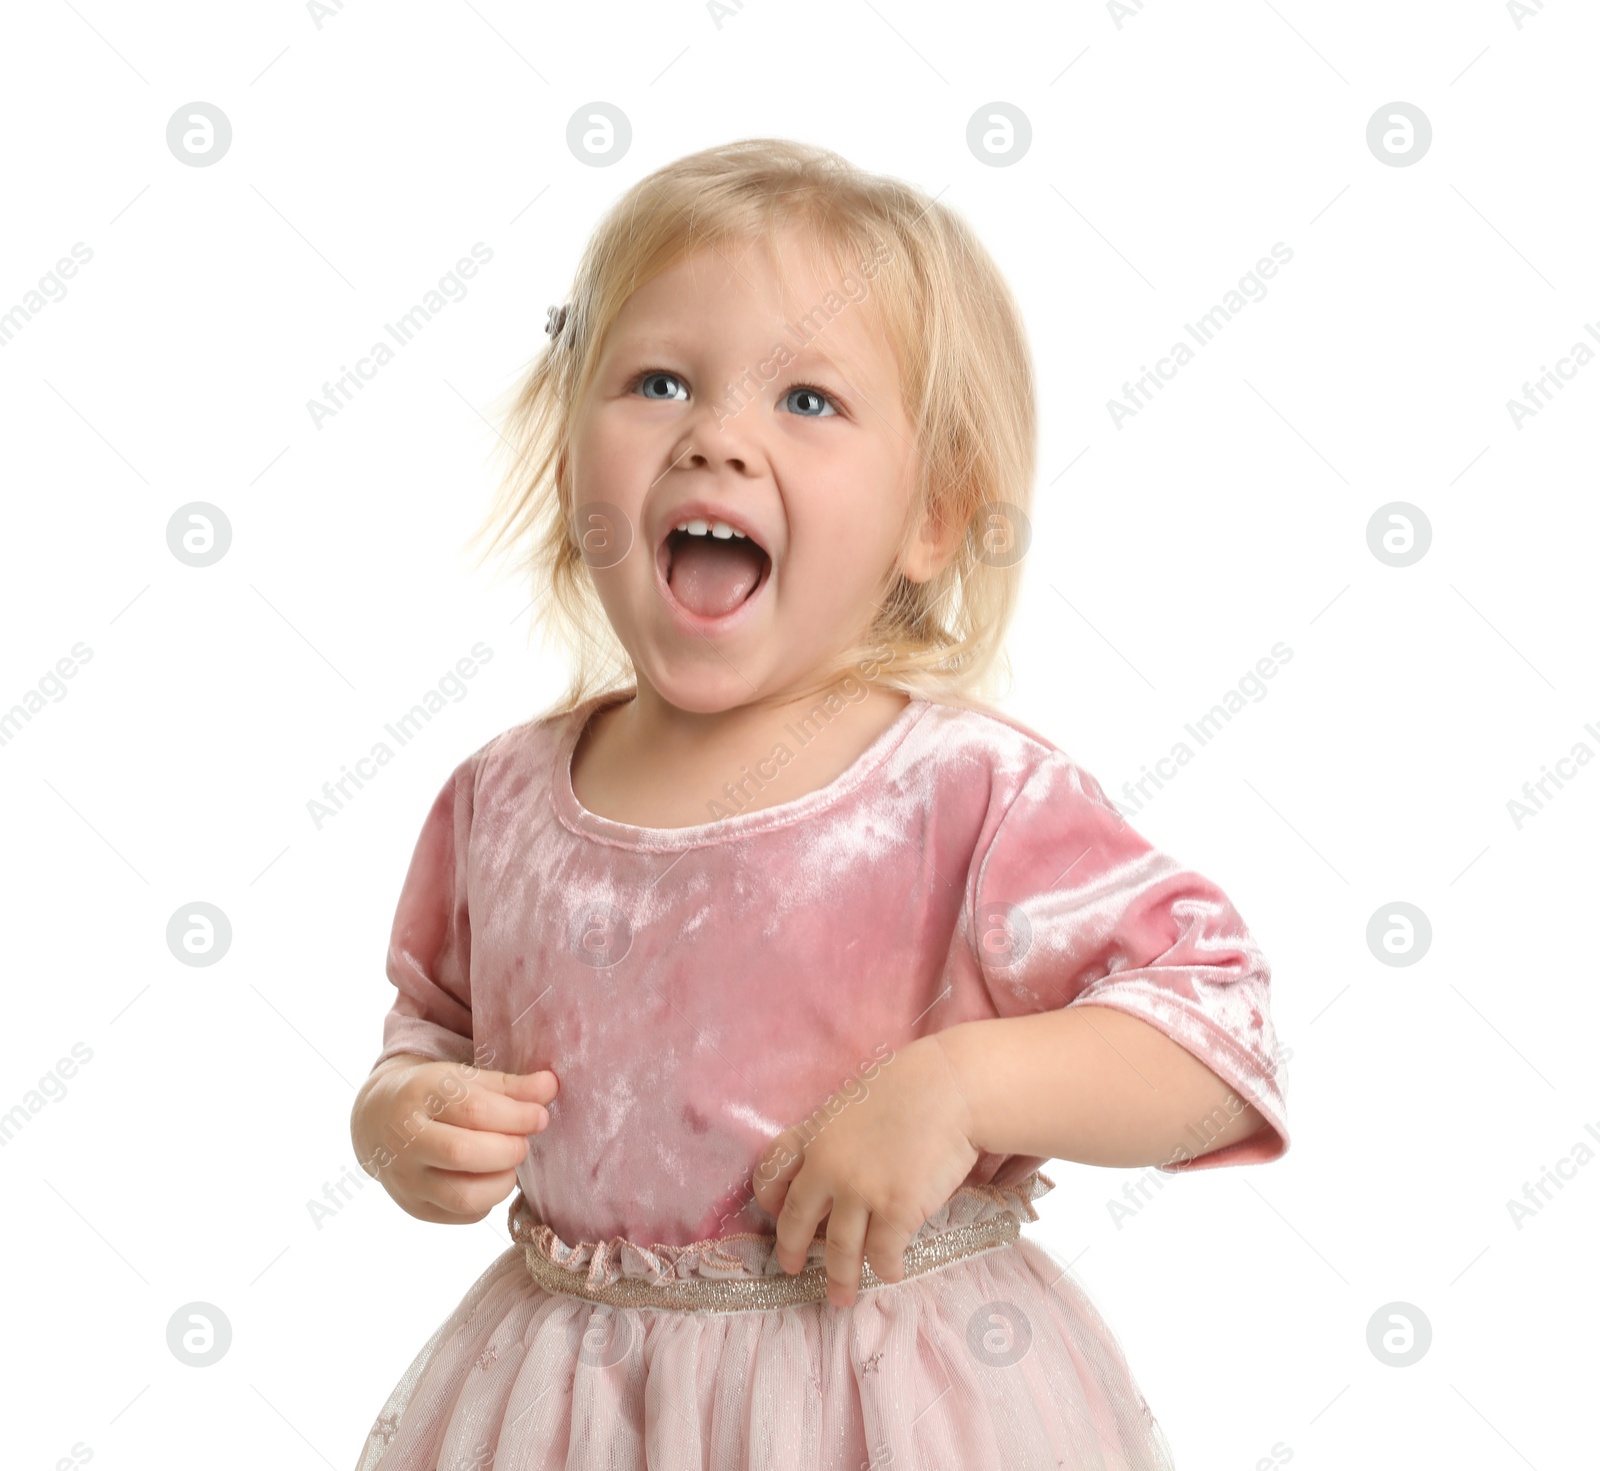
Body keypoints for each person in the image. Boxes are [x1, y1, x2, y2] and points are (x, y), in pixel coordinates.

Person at [350, 137, 1290, 1471]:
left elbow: (1215, 1042)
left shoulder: (961, 795)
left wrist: (965, 1086)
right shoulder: (499, 801)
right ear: (571, 465)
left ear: (932, 519)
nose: (715, 438)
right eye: (658, 380)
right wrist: (402, 1118)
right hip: (568, 1413)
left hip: (887, 1410)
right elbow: (435, 1024)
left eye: (808, 400)